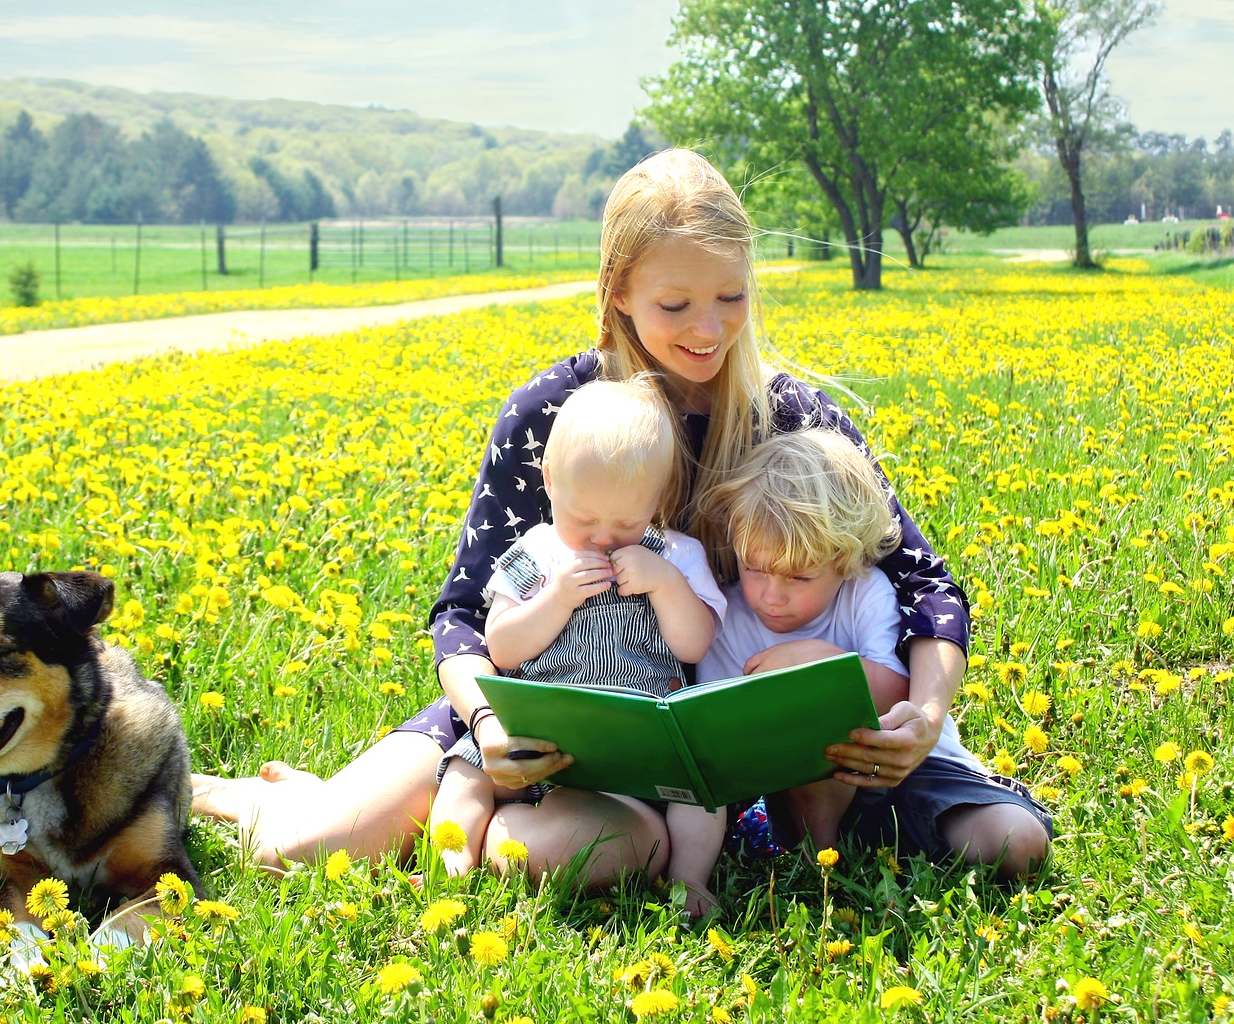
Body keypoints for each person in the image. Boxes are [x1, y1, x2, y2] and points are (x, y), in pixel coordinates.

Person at [192, 148, 976, 894]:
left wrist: (928, 711)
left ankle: (434, 811)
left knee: (580, 851)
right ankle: (256, 796)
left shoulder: (789, 417)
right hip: (529, 704)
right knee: (296, 853)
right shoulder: (550, 413)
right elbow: (464, 612)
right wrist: (490, 721)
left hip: (699, 751)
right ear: (617, 292)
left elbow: (924, 581)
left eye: (731, 296)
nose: (709, 328)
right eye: (676, 304)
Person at [425, 378, 729, 914]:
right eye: (584, 520)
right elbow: (503, 646)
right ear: (549, 482)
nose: (604, 538)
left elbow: (695, 642)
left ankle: (690, 879)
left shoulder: (677, 556)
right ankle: (454, 860)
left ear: (658, 501)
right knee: (466, 773)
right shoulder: (536, 550)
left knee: (701, 788)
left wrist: (664, 584)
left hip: (635, 735)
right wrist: (557, 598)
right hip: (538, 728)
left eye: (627, 523)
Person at [695, 430, 1051, 874]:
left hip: (914, 766)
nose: (772, 595)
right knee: (811, 723)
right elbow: (712, 728)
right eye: (755, 568)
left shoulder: (866, 593)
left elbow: (896, 694)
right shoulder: (729, 617)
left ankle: (883, 836)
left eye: (799, 578)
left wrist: (819, 664)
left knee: (1018, 845)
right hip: (806, 785)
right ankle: (821, 858)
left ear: (845, 561)